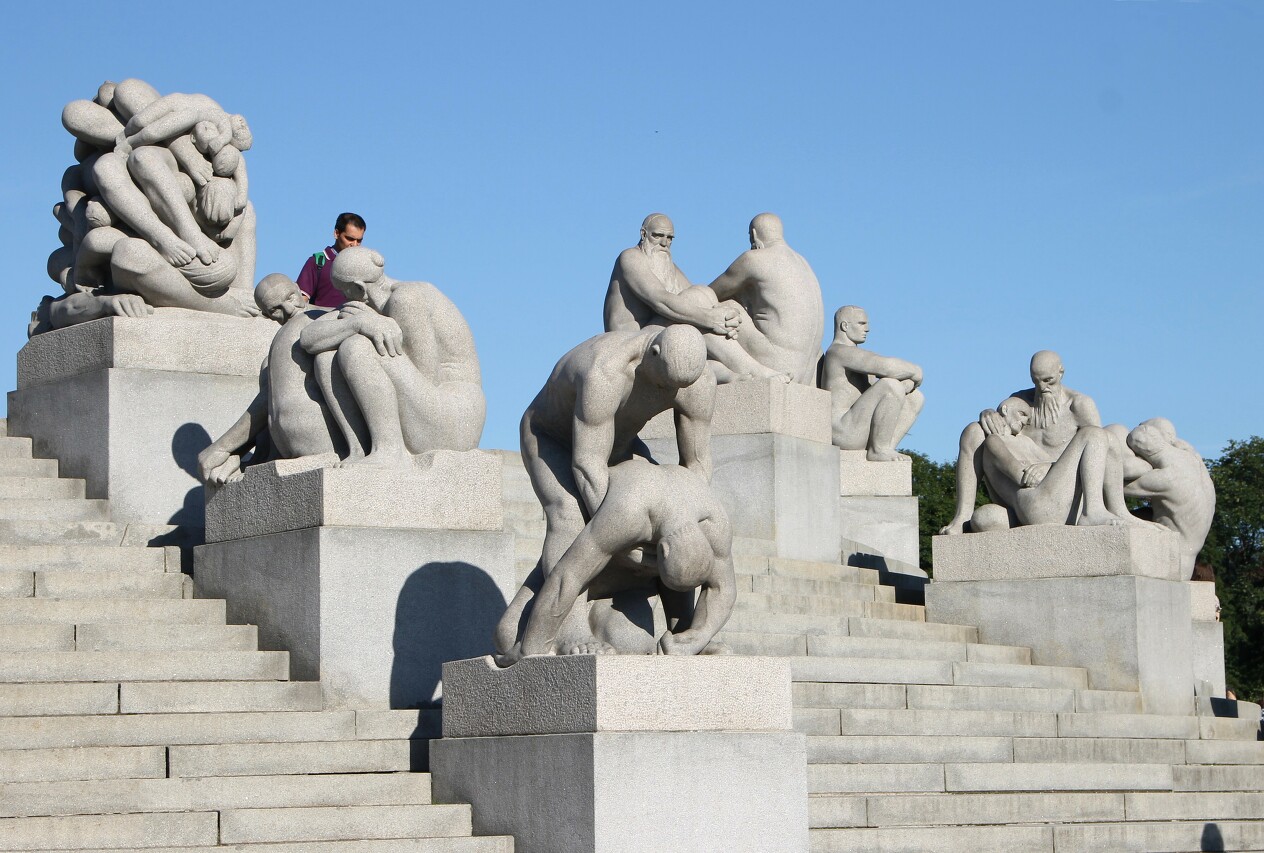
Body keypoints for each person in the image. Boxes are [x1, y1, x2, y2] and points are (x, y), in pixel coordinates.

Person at [493, 324, 716, 658]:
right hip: (553, 439)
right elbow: (586, 464)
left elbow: (697, 466)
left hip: (619, 442)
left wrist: (683, 517)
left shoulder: (698, 381)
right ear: (651, 353)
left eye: (680, 386)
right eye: (664, 381)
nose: (672, 391)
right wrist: (620, 533)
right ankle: (570, 630)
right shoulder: (605, 370)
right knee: (569, 515)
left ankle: (683, 632)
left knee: (673, 527)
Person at [496, 459, 735, 664]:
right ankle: (569, 629)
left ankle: (682, 636)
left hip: (624, 590)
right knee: (508, 634)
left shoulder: (714, 523)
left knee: (632, 644)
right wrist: (530, 651)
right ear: (662, 550)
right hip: (581, 576)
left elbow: (723, 588)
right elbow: (567, 576)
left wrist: (697, 636)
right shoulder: (630, 508)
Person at [298, 247, 485, 466]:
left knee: (355, 347)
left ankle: (390, 450)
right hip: (426, 409)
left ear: (358, 288)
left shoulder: (406, 299)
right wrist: (358, 323)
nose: (345, 300)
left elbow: (426, 376)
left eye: (345, 292)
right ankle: (359, 450)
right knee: (326, 358)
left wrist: (363, 327)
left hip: (454, 418)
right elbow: (309, 338)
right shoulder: (368, 310)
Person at [197, 274, 353, 484]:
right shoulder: (281, 345)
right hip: (285, 444)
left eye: (290, 298)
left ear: (299, 290)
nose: (288, 310)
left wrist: (223, 447)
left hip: (322, 441)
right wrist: (234, 450)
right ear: (266, 315)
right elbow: (265, 406)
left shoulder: (325, 318)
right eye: (275, 309)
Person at [940, 350, 1106, 534]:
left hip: (1060, 496)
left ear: (1061, 372)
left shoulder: (1079, 404)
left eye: (1048, 380)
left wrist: (1049, 467)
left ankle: (1093, 510)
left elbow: (1098, 454)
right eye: (1036, 381)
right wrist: (987, 413)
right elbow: (1003, 426)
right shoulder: (1020, 402)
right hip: (1022, 499)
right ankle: (963, 516)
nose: (1042, 387)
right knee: (975, 432)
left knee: (1094, 434)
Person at [969, 397, 1143, 530]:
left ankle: (1118, 510)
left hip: (1052, 498)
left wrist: (1046, 466)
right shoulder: (994, 441)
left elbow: (1053, 465)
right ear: (1005, 409)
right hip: (1035, 504)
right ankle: (1091, 512)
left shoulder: (1026, 442)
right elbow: (1022, 476)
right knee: (1092, 434)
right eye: (1022, 414)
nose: (1025, 422)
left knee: (1109, 439)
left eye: (1027, 419)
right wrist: (1046, 467)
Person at [702, 213, 825, 384]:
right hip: (805, 375)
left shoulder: (753, 259)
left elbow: (708, 294)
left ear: (753, 235)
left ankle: (749, 368)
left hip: (775, 365)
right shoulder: (805, 265)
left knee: (713, 305)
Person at [1108, 417, 1216, 579]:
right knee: (1142, 513)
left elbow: (1111, 486)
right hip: (1184, 559)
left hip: (1170, 561)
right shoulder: (1193, 458)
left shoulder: (1167, 477)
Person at [604, 213, 740, 338]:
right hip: (631, 341)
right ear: (643, 234)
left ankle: (743, 360)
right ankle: (745, 365)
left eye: (669, 238)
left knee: (706, 293)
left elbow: (696, 295)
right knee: (697, 298)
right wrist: (710, 319)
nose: (664, 243)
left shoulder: (669, 267)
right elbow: (660, 300)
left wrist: (726, 318)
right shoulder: (631, 257)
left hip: (654, 334)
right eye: (657, 235)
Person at [820, 305, 924, 461]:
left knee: (915, 398)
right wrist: (916, 372)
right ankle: (879, 450)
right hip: (843, 430)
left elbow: (888, 388)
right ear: (845, 326)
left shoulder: (855, 355)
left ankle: (887, 446)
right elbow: (887, 367)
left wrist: (909, 383)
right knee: (891, 386)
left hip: (858, 425)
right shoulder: (838, 352)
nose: (867, 329)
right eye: (862, 323)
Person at [297, 213, 365, 308]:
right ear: (336, 233)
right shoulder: (317, 262)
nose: (354, 244)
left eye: (359, 241)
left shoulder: (363, 267)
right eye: (350, 239)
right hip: (321, 321)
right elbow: (299, 304)